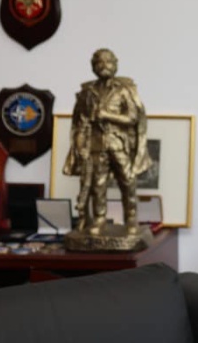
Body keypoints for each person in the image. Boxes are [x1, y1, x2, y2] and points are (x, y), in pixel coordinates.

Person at [63, 48, 149, 236]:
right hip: (96, 145)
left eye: (109, 61)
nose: (104, 66)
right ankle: (99, 218)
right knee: (98, 184)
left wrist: (107, 115)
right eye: (99, 62)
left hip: (118, 144)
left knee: (127, 181)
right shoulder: (87, 92)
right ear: (93, 66)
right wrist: (80, 146)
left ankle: (131, 218)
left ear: (115, 65)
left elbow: (132, 118)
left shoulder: (124, 90)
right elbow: (80, 122)